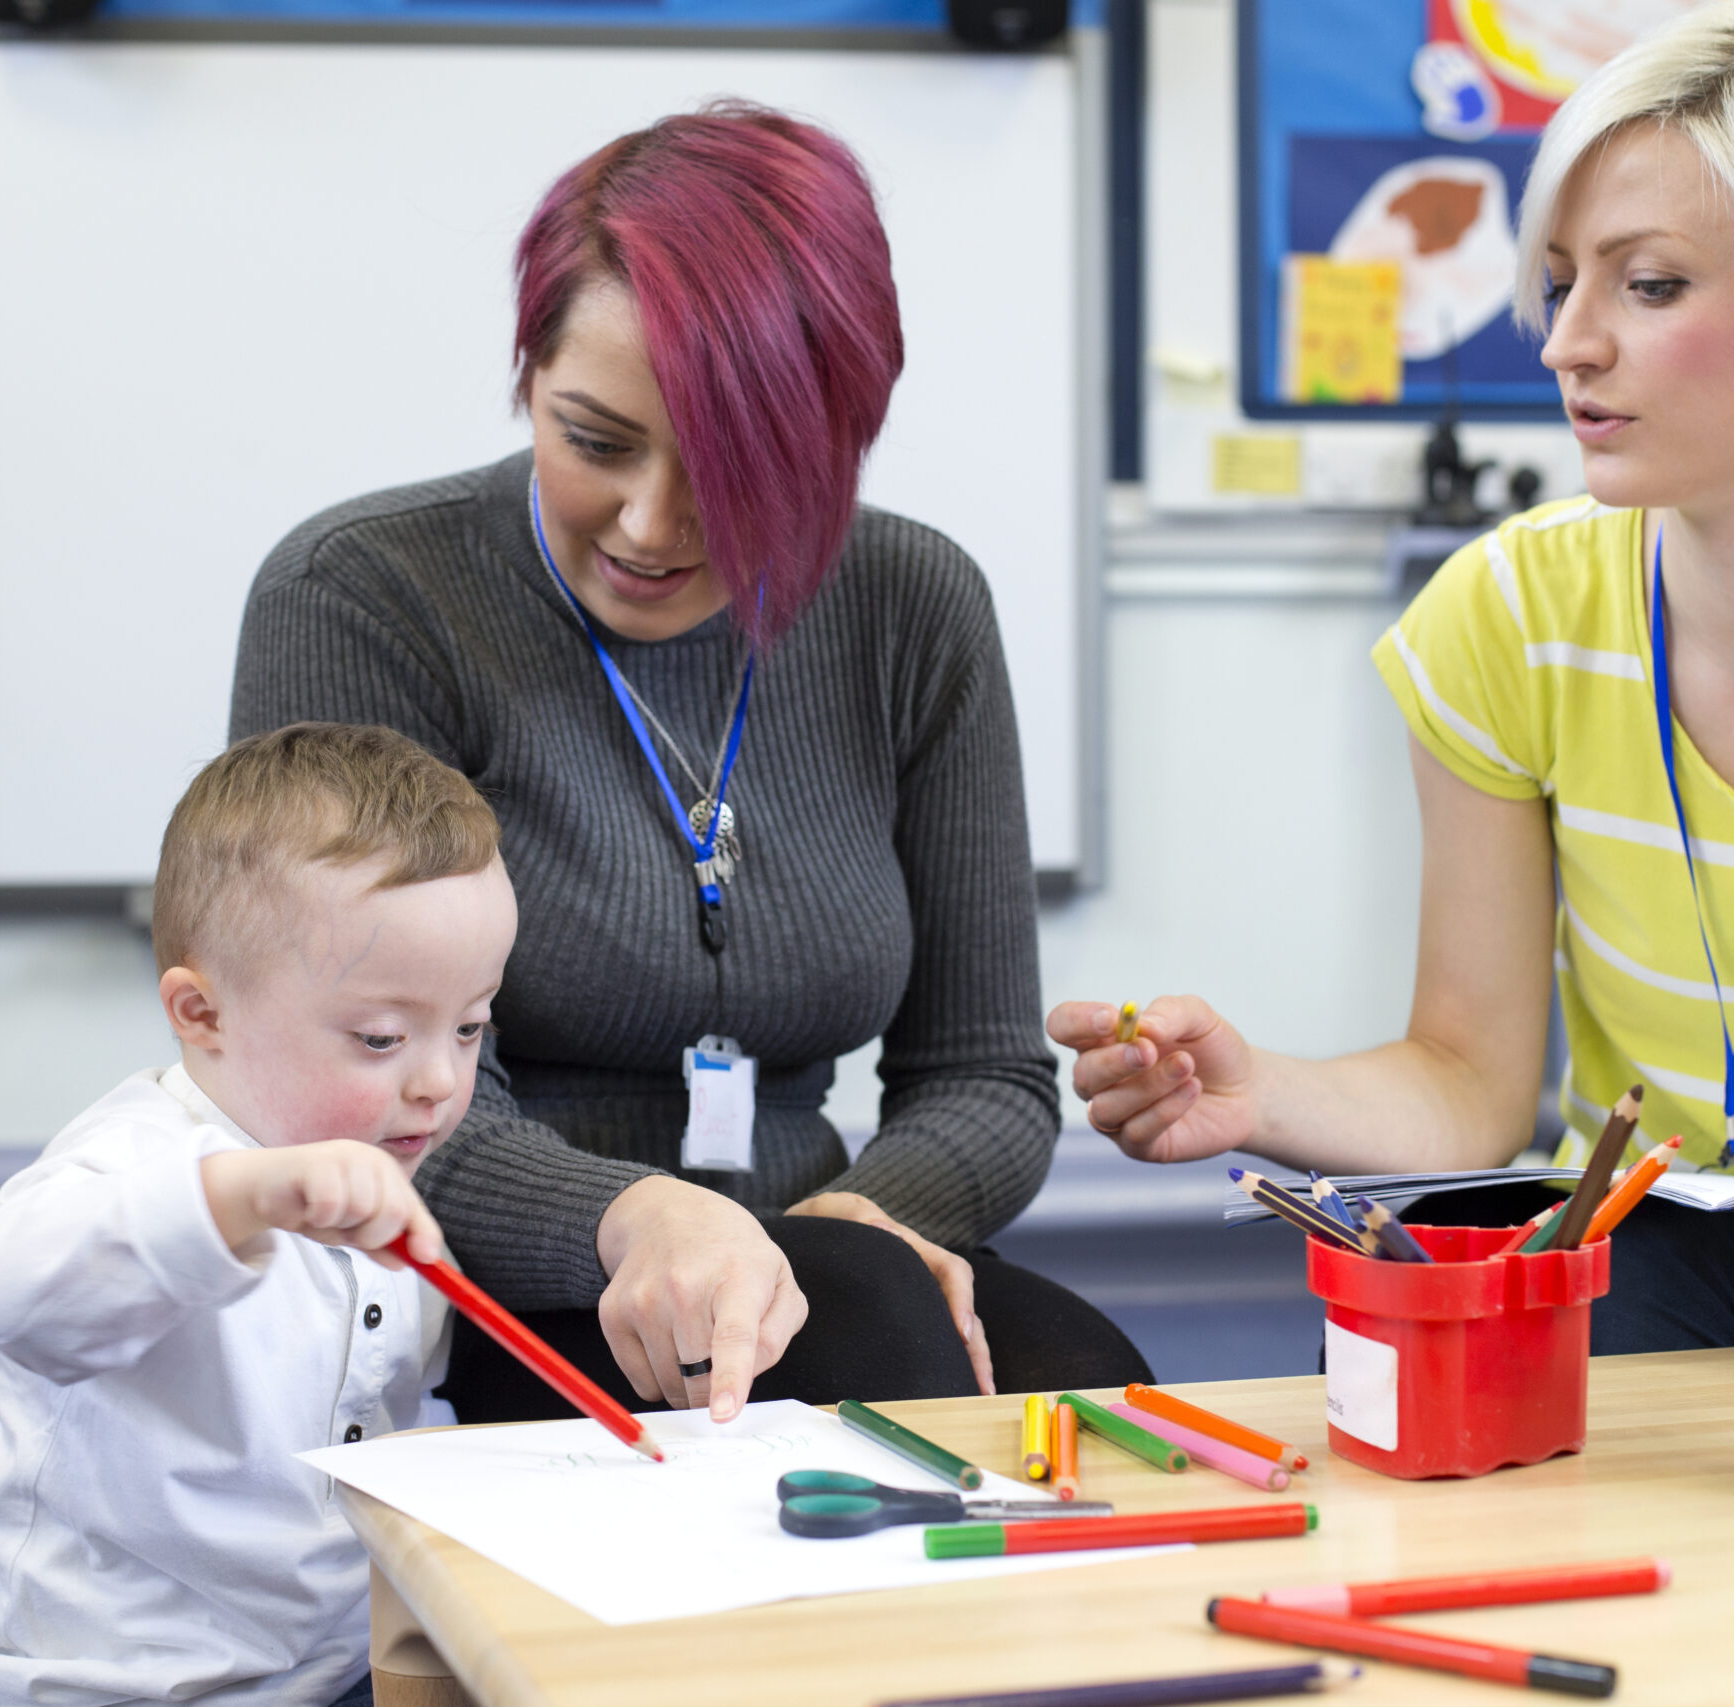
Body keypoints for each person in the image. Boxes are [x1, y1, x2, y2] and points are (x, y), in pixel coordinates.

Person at [1054, 6, 1734, 1351]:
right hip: (1642, 1254)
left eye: (1650, 283)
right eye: (1565, 278)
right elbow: (1470, 1085)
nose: (1567, 340)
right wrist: (1253, 1086)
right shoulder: (1508, 618)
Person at [229, 103, 1149, 1425]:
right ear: (527, 374)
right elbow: (366, 1096)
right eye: (593, 439)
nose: (651, 525)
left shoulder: (914, 605)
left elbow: (986, 1078)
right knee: (883, 1361)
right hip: (473, 1277)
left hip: (810, 1249)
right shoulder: (364, 598)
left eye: (733, 468)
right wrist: (641, 1216)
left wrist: (856, 1220)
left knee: (1093, 1385)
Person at [0, 724, 516, 1707]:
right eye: (379, 1038)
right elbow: (9, 1288)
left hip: (322, 1677)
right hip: (87, 1690)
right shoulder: (137, 1159)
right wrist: (244, 1198)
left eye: (469, 1026)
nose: (441, 1083)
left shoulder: (375, 1174)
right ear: (201, 1015)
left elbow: (390, 1416)